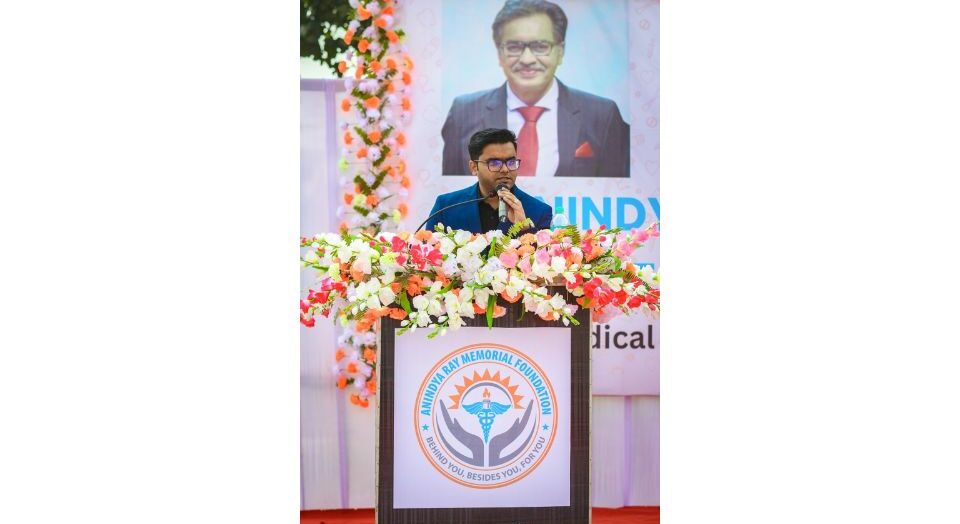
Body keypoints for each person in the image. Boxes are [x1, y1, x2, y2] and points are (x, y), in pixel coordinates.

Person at [442, 0, 630, 178]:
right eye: (514, 47)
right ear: (499, 53)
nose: (527, 59)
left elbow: (618, 189)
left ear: (560, 52)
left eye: (540, 46)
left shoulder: (602, 115)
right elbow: (449, 191)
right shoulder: (463, 113)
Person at [425, 128, 552, 234]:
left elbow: (545, 256)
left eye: (511, 162)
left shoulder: (539, 211)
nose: (505, 169)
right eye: (495, 163)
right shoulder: (446, 207)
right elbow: (428, 252)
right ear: (474, 167)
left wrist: (525, 229)